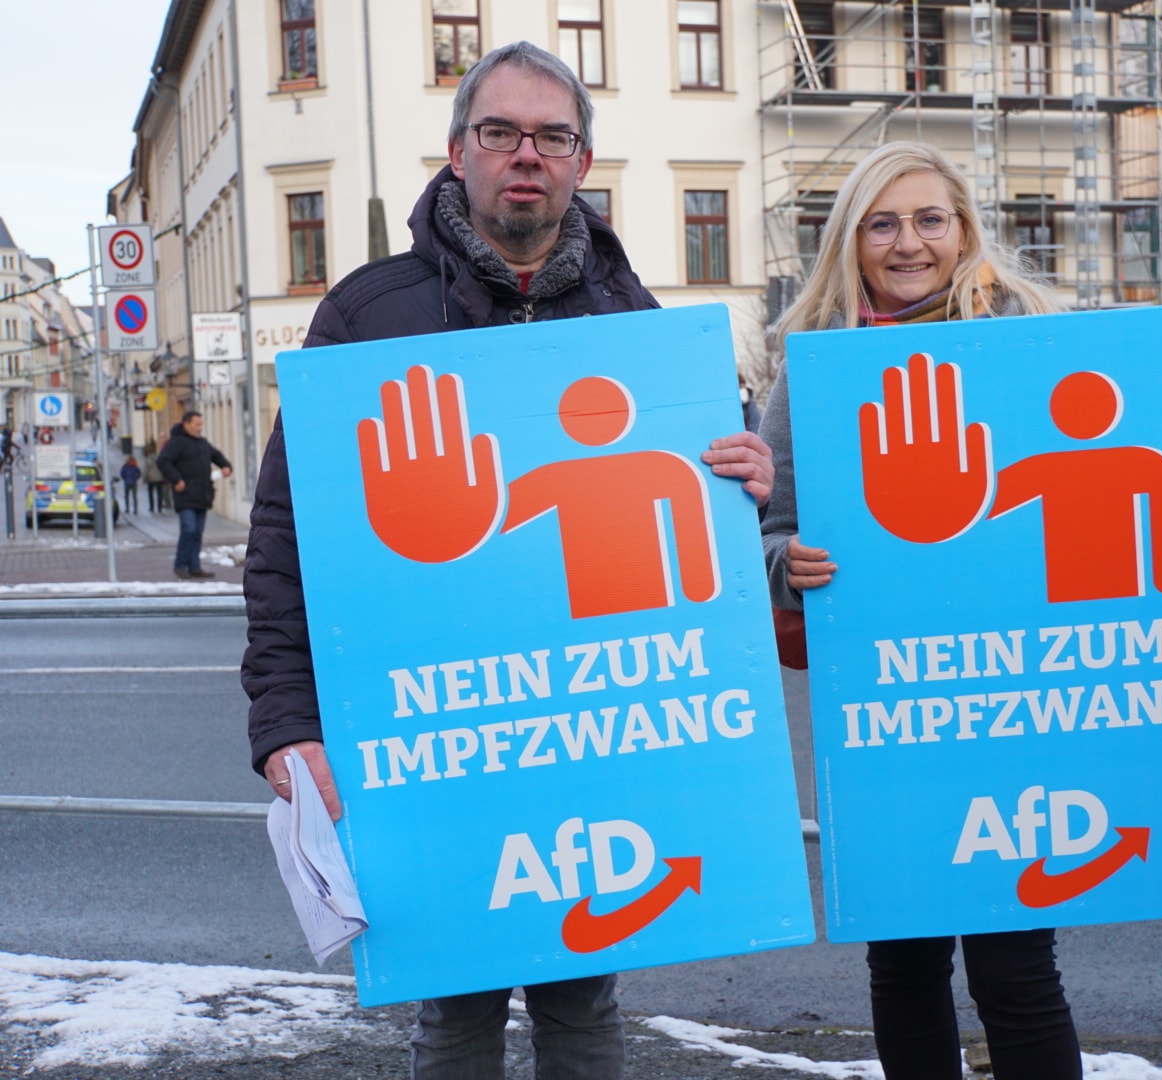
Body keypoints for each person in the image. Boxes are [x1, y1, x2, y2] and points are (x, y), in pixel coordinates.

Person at [239, 42, 771, 1080]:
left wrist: (741, 484)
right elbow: (284, 539)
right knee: (454, 1006)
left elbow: (701, 563)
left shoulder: (634, 324)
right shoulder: (366, 317)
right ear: (457, 153)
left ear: (581, 162)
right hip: (435, 736)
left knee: (584, 998)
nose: (526, 154)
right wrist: (286, 722)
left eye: (551, 137)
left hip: (590, 729)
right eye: (500, 132)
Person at [757, 140, 1162, 1080]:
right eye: (882, 223)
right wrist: (790, 563)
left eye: (929, 219)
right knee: (904, 961)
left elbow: (1159, 463)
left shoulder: (1033, 341)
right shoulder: (814, 370)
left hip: (1012, 710)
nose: (908, 242)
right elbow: (770, 532)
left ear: (966, 230)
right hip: (893, 711)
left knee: (1016, 967)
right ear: (850, 240)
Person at [156, 411, 232, 579]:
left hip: (203, 494)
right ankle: (180, 564)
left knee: (197, 532)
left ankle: (194, 566)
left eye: (201, 424)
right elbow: (162, 461)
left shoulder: (202, 443)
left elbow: (216, 455)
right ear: (186, 424)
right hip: (185, 495)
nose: (200, 428)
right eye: (197, 424)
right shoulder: (177, 442)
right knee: (189, 529)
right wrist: (176, 480)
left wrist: (226, 466)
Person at [144, 445, 169, 513]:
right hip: (159, 478)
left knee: (150, 493)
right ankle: (159, 508)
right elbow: (163, 467)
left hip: (150, 479)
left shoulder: (147, 460)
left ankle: (151, 507)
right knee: (159, 493)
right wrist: (164, 476)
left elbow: (146, 470)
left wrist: (145, 478)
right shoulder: (158, 458)